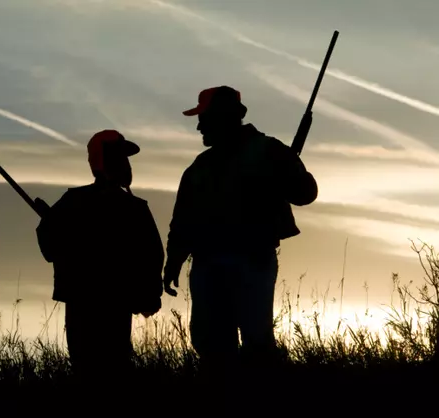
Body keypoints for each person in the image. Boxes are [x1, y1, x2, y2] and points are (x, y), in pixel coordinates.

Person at [162, 86, 318, 382]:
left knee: (255, 341)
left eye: (204, 118)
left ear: (223, 117)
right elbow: (183, 220)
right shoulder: (200, 166)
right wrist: (174, 261)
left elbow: (305, 193)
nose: (198, 126)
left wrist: (287, 173)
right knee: (211, 344)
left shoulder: (269, 151)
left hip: (251, 259)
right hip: (209, 264)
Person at [35, 129, 165, 390]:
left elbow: (152, 256)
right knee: (97, 370)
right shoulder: (130, 207)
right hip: (95, 301)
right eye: (119, 157)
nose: (125, 164)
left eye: (125, 159)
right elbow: (51, 248)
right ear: (101, 161)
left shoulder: (76, 202)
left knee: (103, 371)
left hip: (104, 302)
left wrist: (149, 294)